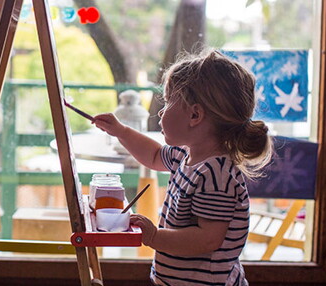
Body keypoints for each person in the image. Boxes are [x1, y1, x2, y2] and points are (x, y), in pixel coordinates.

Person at [93, 49, 273, 286]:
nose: (160, 111)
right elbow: (154, 155)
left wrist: (155, 236)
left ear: (195, 115)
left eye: (167, 102)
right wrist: (121, 131)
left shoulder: (216, 175)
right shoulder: (185, 156)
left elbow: (207, 239)